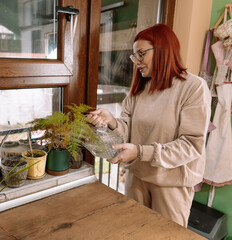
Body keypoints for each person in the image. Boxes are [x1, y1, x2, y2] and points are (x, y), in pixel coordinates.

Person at [87, 24, 211, 227]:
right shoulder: (140, 88)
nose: (136, 62)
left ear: (163, 49)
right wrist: (111, 121)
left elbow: (191, 144)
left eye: (141, 54)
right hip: (136, 177)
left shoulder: (193, 87)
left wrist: (140, 152)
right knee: (132, 231)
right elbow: (128, 129)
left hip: (171, 183)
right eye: (134, 56)